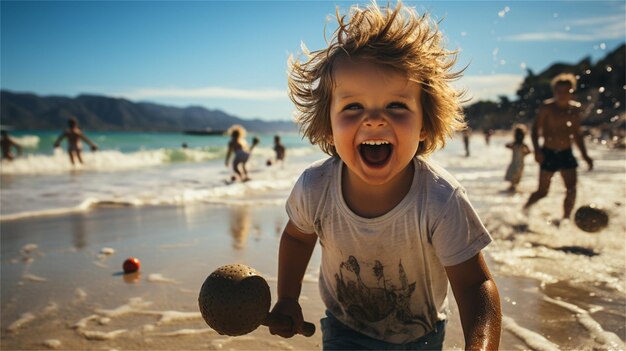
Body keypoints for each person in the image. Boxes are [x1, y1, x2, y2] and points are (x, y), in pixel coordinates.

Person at [270, 2, 501, 350]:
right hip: (345, 329)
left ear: (424, 124)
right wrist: (288, 297)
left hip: (421, 334)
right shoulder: (315, 188)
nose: (374, 120)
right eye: (352, 107)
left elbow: (474, 286)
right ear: (328, 126)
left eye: (396, 106)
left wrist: (480, 345)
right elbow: (297, 239)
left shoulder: (441, 199)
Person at [523, 73, 593, 220]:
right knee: (542, 192)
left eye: (566, 91)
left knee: (572, 190)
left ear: (571, 91)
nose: (562, 95)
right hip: (548, 153)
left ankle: (565, 220)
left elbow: (577, 134)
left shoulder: (574, 109)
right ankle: (524, 212)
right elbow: (535, 130)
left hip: (566, 153)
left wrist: (585, 155)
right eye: (559, 91)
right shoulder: (547, 107)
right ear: (554, 92)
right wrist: (537, 151)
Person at [504, 124, 531, 192]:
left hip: (514, 163)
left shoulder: (514, 145)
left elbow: (506, 145)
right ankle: (514, 189)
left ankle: (512, 189)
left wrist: (512, 146)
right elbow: (529, 152)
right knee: (516, 178)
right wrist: (524, 154)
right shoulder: (523, 145)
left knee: (513, 178)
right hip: (520, 163)